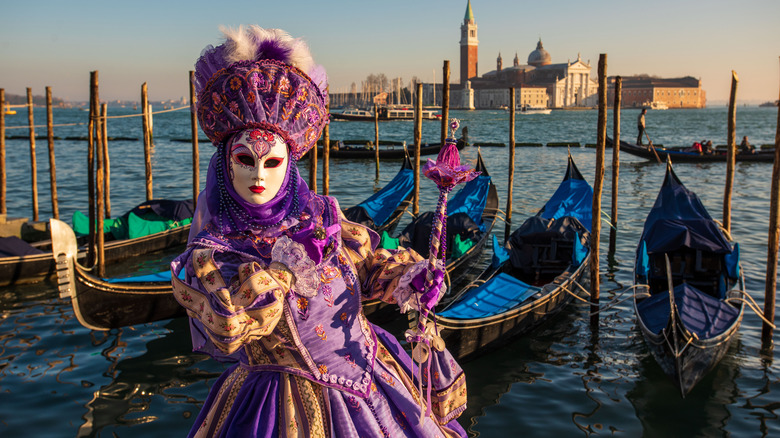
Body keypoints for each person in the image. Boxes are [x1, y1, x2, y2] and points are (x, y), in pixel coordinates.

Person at [172, 26, 467, 437]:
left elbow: (365, 268)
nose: (258, 174)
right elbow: (227, 327)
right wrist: (285, 271)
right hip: (284, 408)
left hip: (376, 381)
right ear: (225, 164)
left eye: (271, 162)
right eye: (244, 159)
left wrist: (408, 278)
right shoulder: (215, 253)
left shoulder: (319, 216)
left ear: (289, 166)